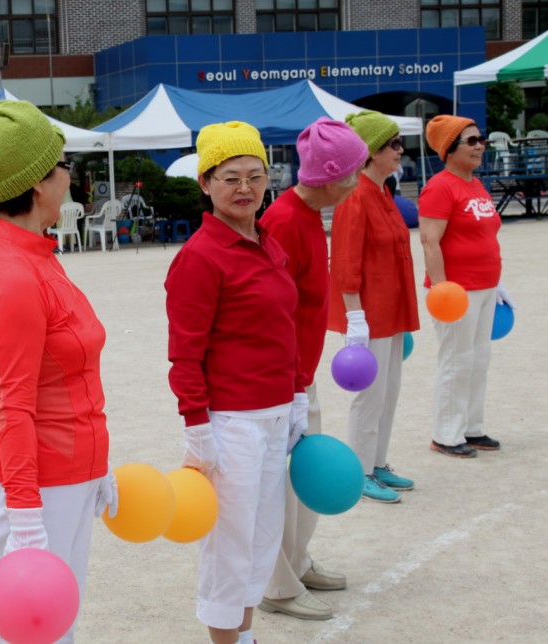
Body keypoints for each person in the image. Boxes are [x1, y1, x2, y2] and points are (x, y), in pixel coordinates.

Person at [0, 100, 117, 644]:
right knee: (30, 634)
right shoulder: (12, 275)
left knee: (56, 629)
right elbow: (13, 404)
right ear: (37, 182)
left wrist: (95, 465)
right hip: (33, 484)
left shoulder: (36, 256)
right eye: (63, 164)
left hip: (63, 477)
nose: (70, 175)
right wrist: (24, 515)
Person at [165, 121, 298, 644]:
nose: (245, 188)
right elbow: (184, 354)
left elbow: (284, 326)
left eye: (255, 176)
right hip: (232, 423)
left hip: (275, 415)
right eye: (230, 177)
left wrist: (295, 393)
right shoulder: (199, 256)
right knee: (230, 545)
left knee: (262, 538)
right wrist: (196, 427)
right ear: (205, 183)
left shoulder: (267, 241)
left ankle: (244, 635)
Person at [257, 117, 369, 621]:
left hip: (301, 372)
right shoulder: (284, 221)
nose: (356, 183)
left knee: (302, 479)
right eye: (352, 174)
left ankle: (297, 561)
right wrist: (292, 384)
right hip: (283, 376)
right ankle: (276, 582)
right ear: (330, 176)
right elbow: (272, 311)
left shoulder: (309, 216)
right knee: (281, 485)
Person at [329, 111, 421, 503]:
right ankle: (360, 469)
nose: (401, 150)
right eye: (393, 144)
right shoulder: (355, 196)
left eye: (400, 143)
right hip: (371, 313)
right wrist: (355, 318)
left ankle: (377, 461)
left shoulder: (383, 192)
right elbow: (346, 262)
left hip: (392, 310)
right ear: (370, 152)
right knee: (369, 396)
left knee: (389, 392)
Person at [418, 115, 514, 457]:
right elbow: (429, 240)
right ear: (449, 149)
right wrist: (441, 289)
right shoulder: (440, 187)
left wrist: (496, 282)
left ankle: (472, 427)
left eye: (481, 139)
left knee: (478, 359)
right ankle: (446, 434)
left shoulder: (475, 185)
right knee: (457, 360)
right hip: (456, 291)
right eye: (471, 141)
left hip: (485, 287)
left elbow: (483, 236)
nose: (480, 146)